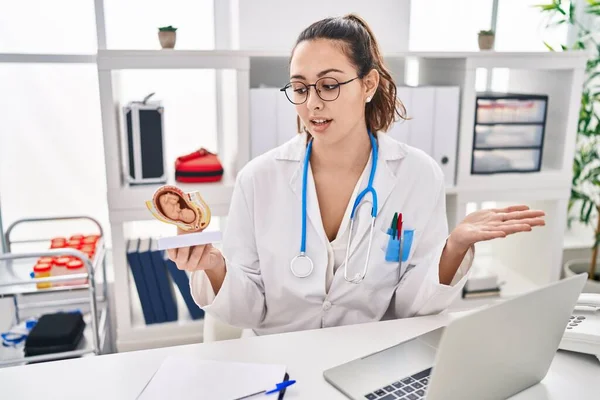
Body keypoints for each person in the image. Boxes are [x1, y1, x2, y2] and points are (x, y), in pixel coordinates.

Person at [167, 14, 545, 336]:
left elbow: (412, 305)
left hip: (371, 358)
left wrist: (454, 247)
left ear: (368, 84)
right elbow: (246, 311)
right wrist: (215, 266)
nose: (312, 102)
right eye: (300, 88)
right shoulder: (258, 179)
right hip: (282, 362)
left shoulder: (418, 175)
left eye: (329, 85)